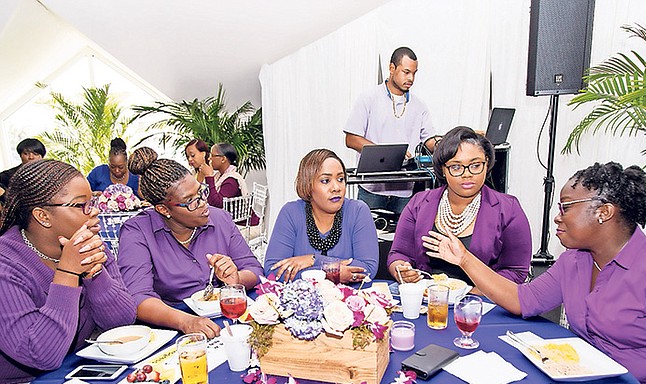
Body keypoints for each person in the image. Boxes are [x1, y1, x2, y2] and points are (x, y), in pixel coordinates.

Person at [424, 162, 646, 384]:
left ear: (603, 212)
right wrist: (465, 259)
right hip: (579, 381)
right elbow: (523, 300)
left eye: (566, 208)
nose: (557, 218)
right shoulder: (573, 261)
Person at [0, 160, 135, 384]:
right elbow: (41, 354)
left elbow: (122, 323)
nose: (94, 211)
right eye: (82, 205)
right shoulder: (6, 264)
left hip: (80, 366)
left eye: (92, 202)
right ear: (43, 216)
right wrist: (68, 273)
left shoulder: (89, 245)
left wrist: (95, 274)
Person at [118, 147, 262, 338]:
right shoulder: (137, 232)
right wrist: (185, 322)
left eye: (201, 193)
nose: (203, 203)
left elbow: (255, 269)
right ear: (163, 209)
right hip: (173, 326)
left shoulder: (219, 219)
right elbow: (138, 298)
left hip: (225, 316)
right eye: (191, 201)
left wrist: (236, 279)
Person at [388, 126, 531, 289]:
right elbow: (399, 254)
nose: (467, 174)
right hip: (428, 300)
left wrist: (473, 295)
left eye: (475, 165)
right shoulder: (419, 203)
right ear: (443, 169)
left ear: (487, 164)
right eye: (456, 167)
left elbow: (516, 271)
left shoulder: (508, 209)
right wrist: (402, 269)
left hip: (483, 304)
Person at [344, 46, 436, 215]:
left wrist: (448, 143)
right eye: (406, 72)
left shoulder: (419, 106)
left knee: (402, 241)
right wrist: (385, 154)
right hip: (372, 189)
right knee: (368, 240)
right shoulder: (369, 98)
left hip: (405, 191)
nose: (411, 78)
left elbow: (429, 140)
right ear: (392, 68)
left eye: (414, 73)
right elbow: (351, 138)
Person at [264, 149, 378, 283]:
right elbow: (273, 270)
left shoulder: (358, 211)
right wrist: (328, 273)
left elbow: (368, 268)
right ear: (307, 185)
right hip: (302, 301)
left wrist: (313, 260)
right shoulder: (291, 212)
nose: (336, 187)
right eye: (325, 181)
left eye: (340, 179)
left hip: (349, 300)